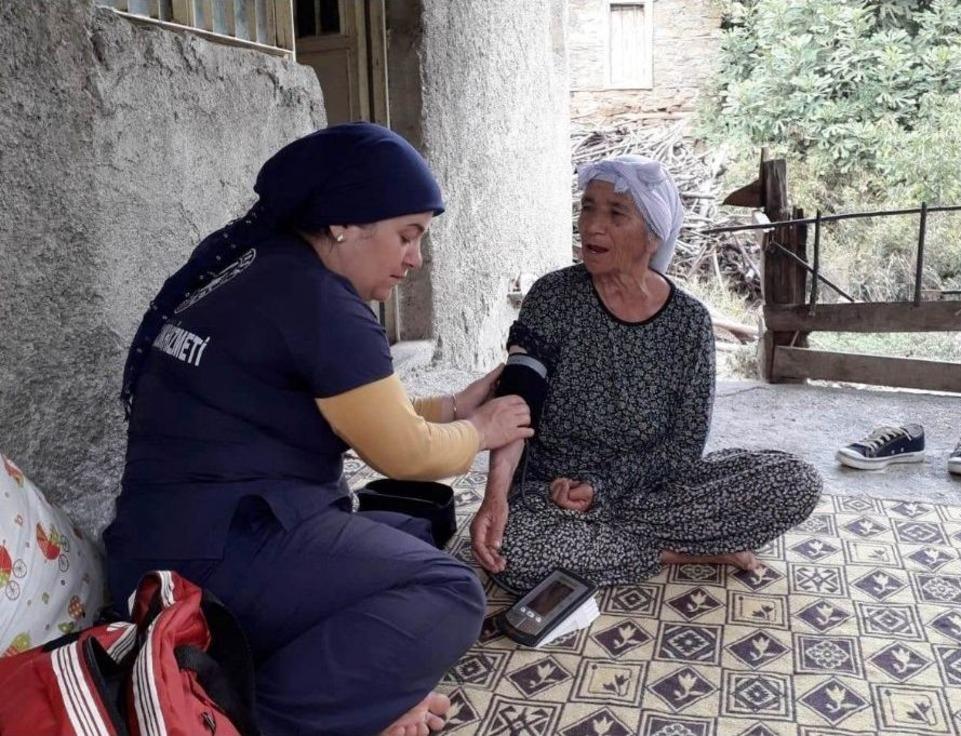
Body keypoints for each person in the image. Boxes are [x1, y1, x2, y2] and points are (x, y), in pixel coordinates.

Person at [103, 123, 533, 736]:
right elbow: (406, 455)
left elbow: (360, 412)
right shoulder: (322, 305)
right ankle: (265, 721)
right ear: (343, 222)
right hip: (206, 566)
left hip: (157, 549)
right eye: (406, 236)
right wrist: (483, 430)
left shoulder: (262, 267)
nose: (414, 259)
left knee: (404, 530)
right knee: (447, 589)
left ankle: (319, 690)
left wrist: (457, 406)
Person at [470, 154, 822, 592]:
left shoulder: (688, 323)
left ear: (653, 236)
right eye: (587, 207)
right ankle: (683, 550)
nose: (592, 226)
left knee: (794, 482)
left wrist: (601, 487)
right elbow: (515, 399)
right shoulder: (553, 296)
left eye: (616, 213)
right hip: (552, 492)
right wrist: (496, 497)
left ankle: (621, 545)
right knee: (514, 550)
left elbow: (685, 445)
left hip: (650, 488)